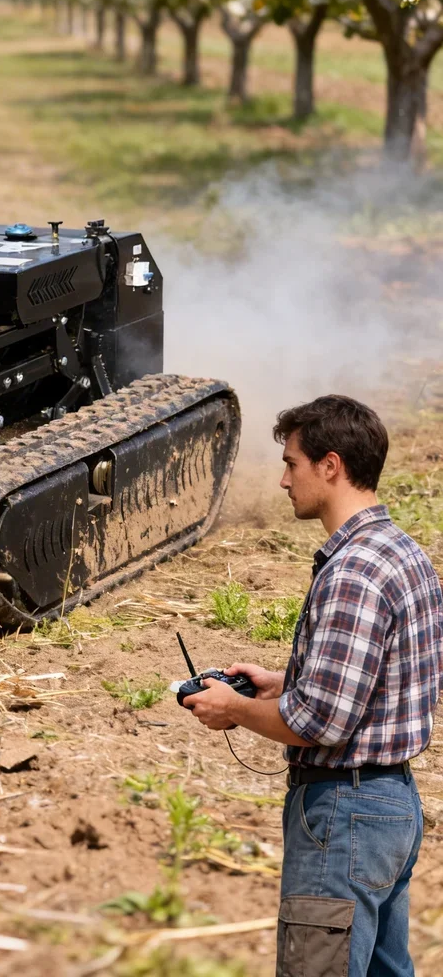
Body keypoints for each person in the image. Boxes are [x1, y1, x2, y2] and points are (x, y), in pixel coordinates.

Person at [184, 394, 442, 977]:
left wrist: (232, 708)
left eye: (291, 463)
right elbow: (396, 676)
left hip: (344, 814)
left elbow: (319, 723)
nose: (283, 480)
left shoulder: (352, 571)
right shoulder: (403, 553)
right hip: (393, 807)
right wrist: (285, 682)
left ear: (330, 466)